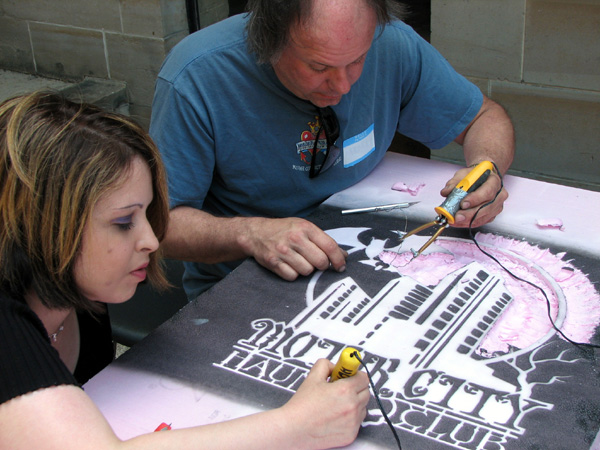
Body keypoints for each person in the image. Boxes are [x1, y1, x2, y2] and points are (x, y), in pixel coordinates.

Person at [0, 91, 370, 449]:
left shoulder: (80, 291)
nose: (150, 238)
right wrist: (299, 426)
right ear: (46, 226)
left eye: (146, 213)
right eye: (124, 221)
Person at [150, 0, 515, 300]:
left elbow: (483, 116)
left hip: (365, 263)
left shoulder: (392, 44)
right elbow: (160, 225)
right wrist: (251, 234)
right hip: (246, 283)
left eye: (357, 60)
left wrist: (488, 168)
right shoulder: (197, 77)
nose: (342, 85)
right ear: (268, 41)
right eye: (319, 66)